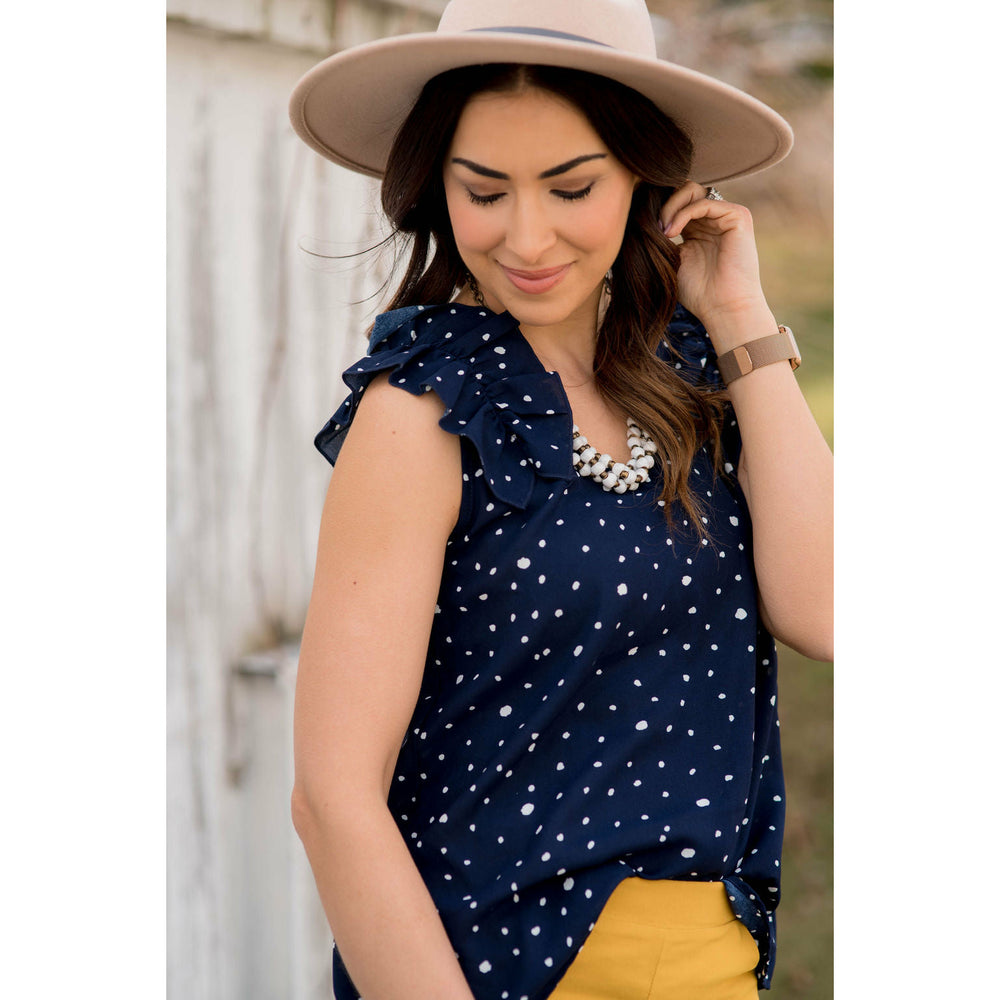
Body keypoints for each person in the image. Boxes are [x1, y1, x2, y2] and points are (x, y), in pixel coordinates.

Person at [288, 2, 833, 999]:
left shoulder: (695, 374)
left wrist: (740, 316)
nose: (526, 236)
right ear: (438, 188)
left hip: (711, 961)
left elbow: (829, 608)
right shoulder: (426, 409)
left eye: (571, 187)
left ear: (643, 181)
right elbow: (332, 798)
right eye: (484, 191)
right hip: (498, 966)